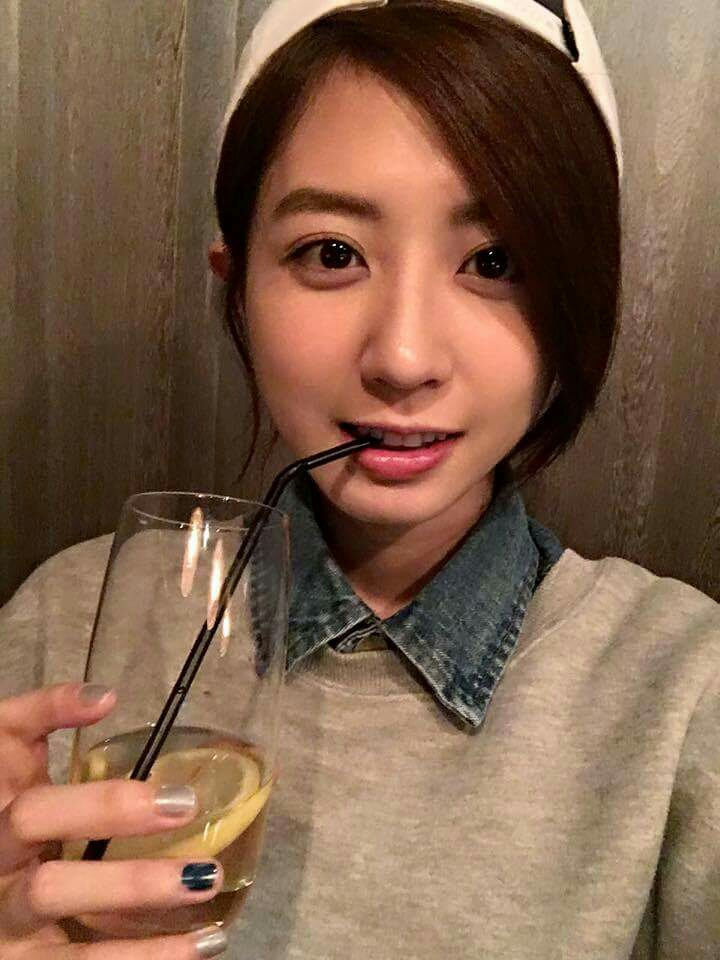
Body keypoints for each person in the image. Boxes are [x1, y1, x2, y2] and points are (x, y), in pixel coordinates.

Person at [1, 1, 718, 957]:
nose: (404, 358)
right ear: (236, 285)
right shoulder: (67, 624)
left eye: (495, 260)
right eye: (332, 254)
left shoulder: (686, 695)